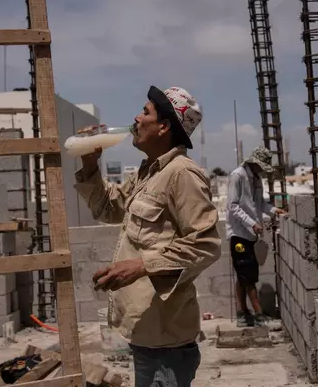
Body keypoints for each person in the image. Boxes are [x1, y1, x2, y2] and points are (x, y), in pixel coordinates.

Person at [74, 86, 221, 387]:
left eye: (146, 112)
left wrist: (141, 266)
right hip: (148, 336)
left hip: (166, 345)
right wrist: (90, 164)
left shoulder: (182, 174)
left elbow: (206, 245)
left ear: (164, 126)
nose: (136, 118)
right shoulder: (149, 173)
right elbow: (107, 208)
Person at [225, 146, 286, 327]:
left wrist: (275, 211)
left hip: (251, 234)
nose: (261, 170)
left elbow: (260, 205)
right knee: (248, 275)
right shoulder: (238, 176)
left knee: (244, 275)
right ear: (253, 162)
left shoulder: (256, 179)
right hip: (239, 234)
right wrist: (252, 223)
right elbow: (233, 206)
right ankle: (258, 314)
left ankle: (242, 313)